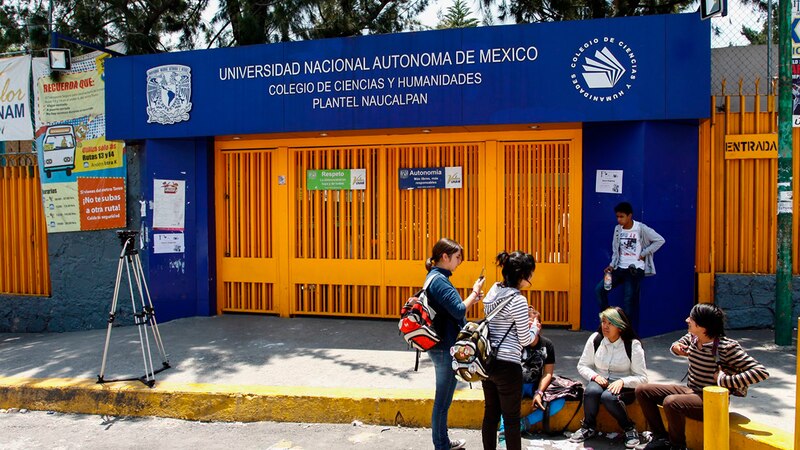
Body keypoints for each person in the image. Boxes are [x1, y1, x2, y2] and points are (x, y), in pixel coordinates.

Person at [635, 304, 769, 450]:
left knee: (671, 402)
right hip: (691, 392)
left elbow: (760, 372)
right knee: (642, 390)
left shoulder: (726, 347)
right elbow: (677, 344)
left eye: (691, 319)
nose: (687, 320)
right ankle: (661, 437)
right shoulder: (693, 337)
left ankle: (678, 446)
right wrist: (677, 348)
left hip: (711, 401)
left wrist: (724, 380)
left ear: (703, 327)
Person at [424, 238, 486, 450]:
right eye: (457, 257)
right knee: (442, 402)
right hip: (443, 347)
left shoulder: (435, 277)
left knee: (444, 400)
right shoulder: (438, 280)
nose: (459, 262)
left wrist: (471, 300)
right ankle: (441, 445)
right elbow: (459, 310)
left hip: (442, 345)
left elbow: (453, 308)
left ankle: (443, 442)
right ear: (445, 257)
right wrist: (475, 292)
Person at [481, 251, 538, 450]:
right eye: (530, 275)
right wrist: (535, 328)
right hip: (508, 366)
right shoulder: (518, 301)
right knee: (512, 420)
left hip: (487, 363)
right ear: (522, 276)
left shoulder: (492, 292)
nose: (530, 279)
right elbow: (525, 339)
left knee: (490, 415)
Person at [571, 307, 648, 449]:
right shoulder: (595, 339)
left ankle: (629, 428)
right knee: (591, 391)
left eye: (610, 323)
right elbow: (582, 365)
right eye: (603, 322)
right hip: (600, 379)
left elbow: (642, 378)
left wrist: (622, 381)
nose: (605, 326)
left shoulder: (632, 345)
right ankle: (588, 426)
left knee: (609, 397)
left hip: (624, 386)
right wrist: (594, 376)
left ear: (620, 327)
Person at [595, 201, 665, 330]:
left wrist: (644, 253)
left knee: (628, 301)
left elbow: (660, 240)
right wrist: (611, 265)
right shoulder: (618, 229)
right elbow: (616, 250)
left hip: (634, 270)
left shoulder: (640, 228)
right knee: (599, 289)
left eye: (622, 216)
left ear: (630, 215)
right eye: (617, 217)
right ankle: (607, 320)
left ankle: (626, 331)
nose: (619, 219)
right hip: (619, 268)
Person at [497, 307, 558, 448]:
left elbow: (548, 373)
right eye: (526, 324)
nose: (529, 327)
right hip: (516, 382)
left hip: (535, 384)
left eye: (532, 324)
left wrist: (539, 392)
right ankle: (503, 431)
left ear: (539, 326)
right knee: (507, 400)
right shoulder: (516, 342)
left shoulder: (547, 345)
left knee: (558, 402)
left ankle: (523, 424)